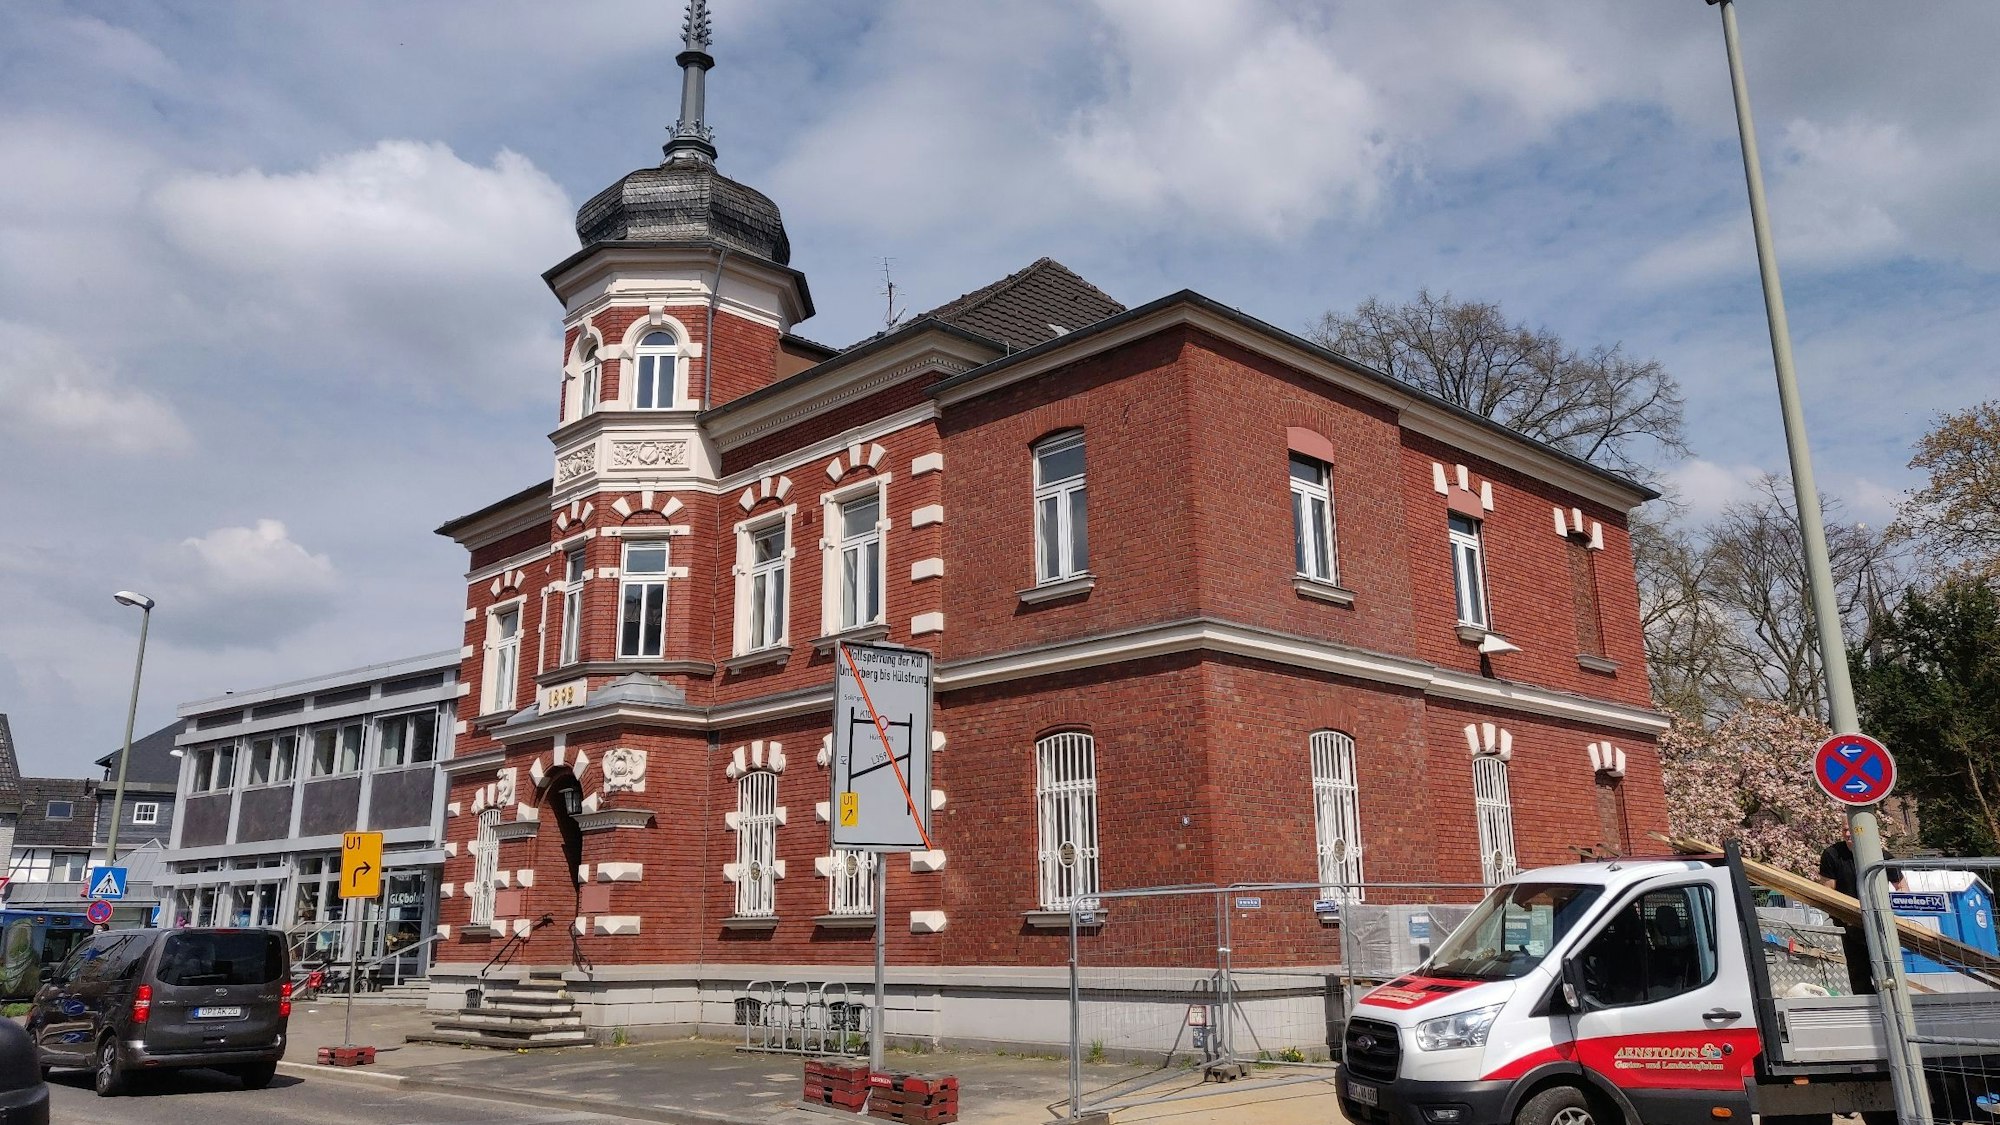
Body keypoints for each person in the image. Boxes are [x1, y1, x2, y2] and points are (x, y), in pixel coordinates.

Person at [1816, 835, 1907, 995]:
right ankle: (1870, 1010)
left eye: (1851, 829)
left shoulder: (1882, 856)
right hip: (1849, 924)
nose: (1848, 834)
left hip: (1880, 926)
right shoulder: (1833, 854)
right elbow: (1827, 892)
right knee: (1859, 975)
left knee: (1887, 972)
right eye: (1844, 830)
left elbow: (1903, 888)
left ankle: (1894, 1005)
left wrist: (1893, 912)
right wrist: (1840, 913)